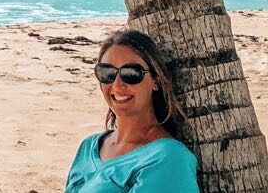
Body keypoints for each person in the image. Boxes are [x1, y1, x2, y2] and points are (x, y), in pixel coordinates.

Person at [64, 29, 200, 192]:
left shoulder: (168, 158)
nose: (117, 84)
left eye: (131, 73)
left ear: (155, 80)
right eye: (107, 72)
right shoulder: (88, 147)